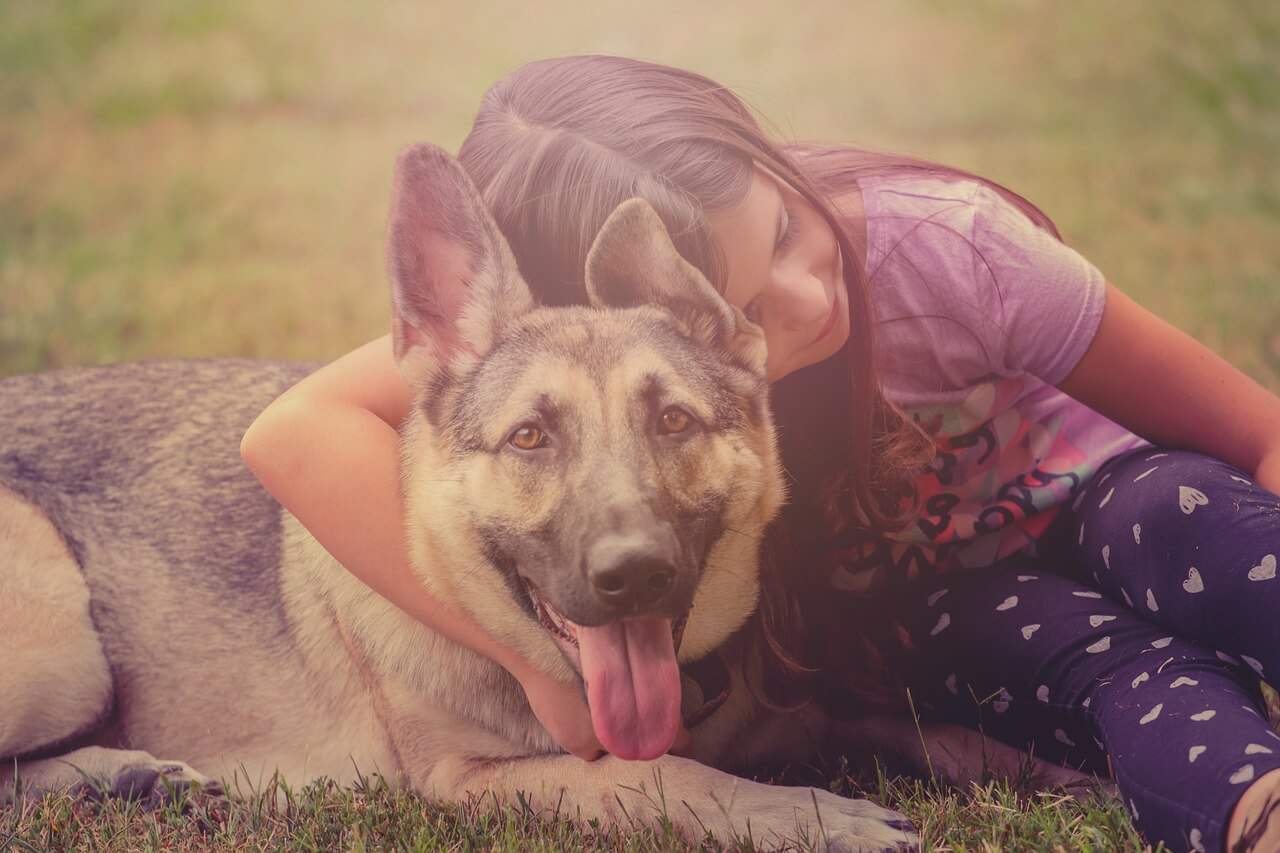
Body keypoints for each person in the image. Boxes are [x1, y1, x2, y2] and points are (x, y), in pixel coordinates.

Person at [240, 55, 1280, 852]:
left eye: (784, 226)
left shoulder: (946, 248)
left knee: (1190, 522)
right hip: (955, 601)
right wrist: (531, 660)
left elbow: (1256, 431)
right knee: (1116, 667)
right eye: (736, 301)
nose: (804, 298)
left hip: (1116, 497)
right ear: (618, 302)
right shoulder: (546, 352)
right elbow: (293, 430)